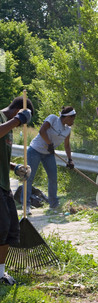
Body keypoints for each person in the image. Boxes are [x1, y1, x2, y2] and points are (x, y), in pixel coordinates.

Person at [0, 96, 34, 285]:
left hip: (4, 184)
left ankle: (1, 273)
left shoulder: (9, 127)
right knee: (1, 227)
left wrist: (15, 168)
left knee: (9, 230)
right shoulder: (3, 119)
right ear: (17, 111)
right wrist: (17, 121)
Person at [24, 106, 76, 213]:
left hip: (49, 154)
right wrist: (49, 144)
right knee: (29, 177)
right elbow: (42, 131)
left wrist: (70, 160)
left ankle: (53, 204)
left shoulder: (68, 130)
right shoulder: (53, 119)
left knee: (53, 178)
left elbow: (67, 146)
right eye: (72, 118)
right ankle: (26, 206)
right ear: (67, 117)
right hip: (35, 150)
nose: (73, 121)